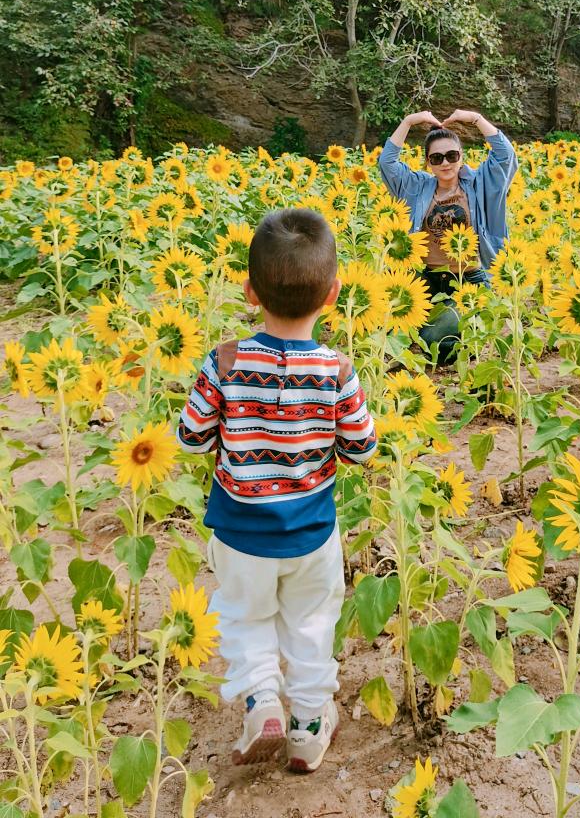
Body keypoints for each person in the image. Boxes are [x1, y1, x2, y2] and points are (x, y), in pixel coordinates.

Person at [176, 208, 377, 770]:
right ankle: (308, 727)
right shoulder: (337, 372)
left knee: (244, 617)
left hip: (241, 532)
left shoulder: (224, 362)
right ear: (333, 294)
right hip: (311, 532)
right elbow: (362, 448)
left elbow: (191, 438)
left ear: (249, 292)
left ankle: (262, 700)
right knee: (312, 625)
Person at [378, 109, 518, 361]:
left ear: (461, 157)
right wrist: (408, 121)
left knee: (436, 343)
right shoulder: (417, 187)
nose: (445, 163)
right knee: (385, 319)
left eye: (451, 155)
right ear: (428, 162)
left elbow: (505, 156)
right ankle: (440, 324)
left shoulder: (480, 184)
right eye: (437, 158)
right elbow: (387, 163)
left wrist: (476, 119)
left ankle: (458, 328)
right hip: (426, 279)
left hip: (469, 281)